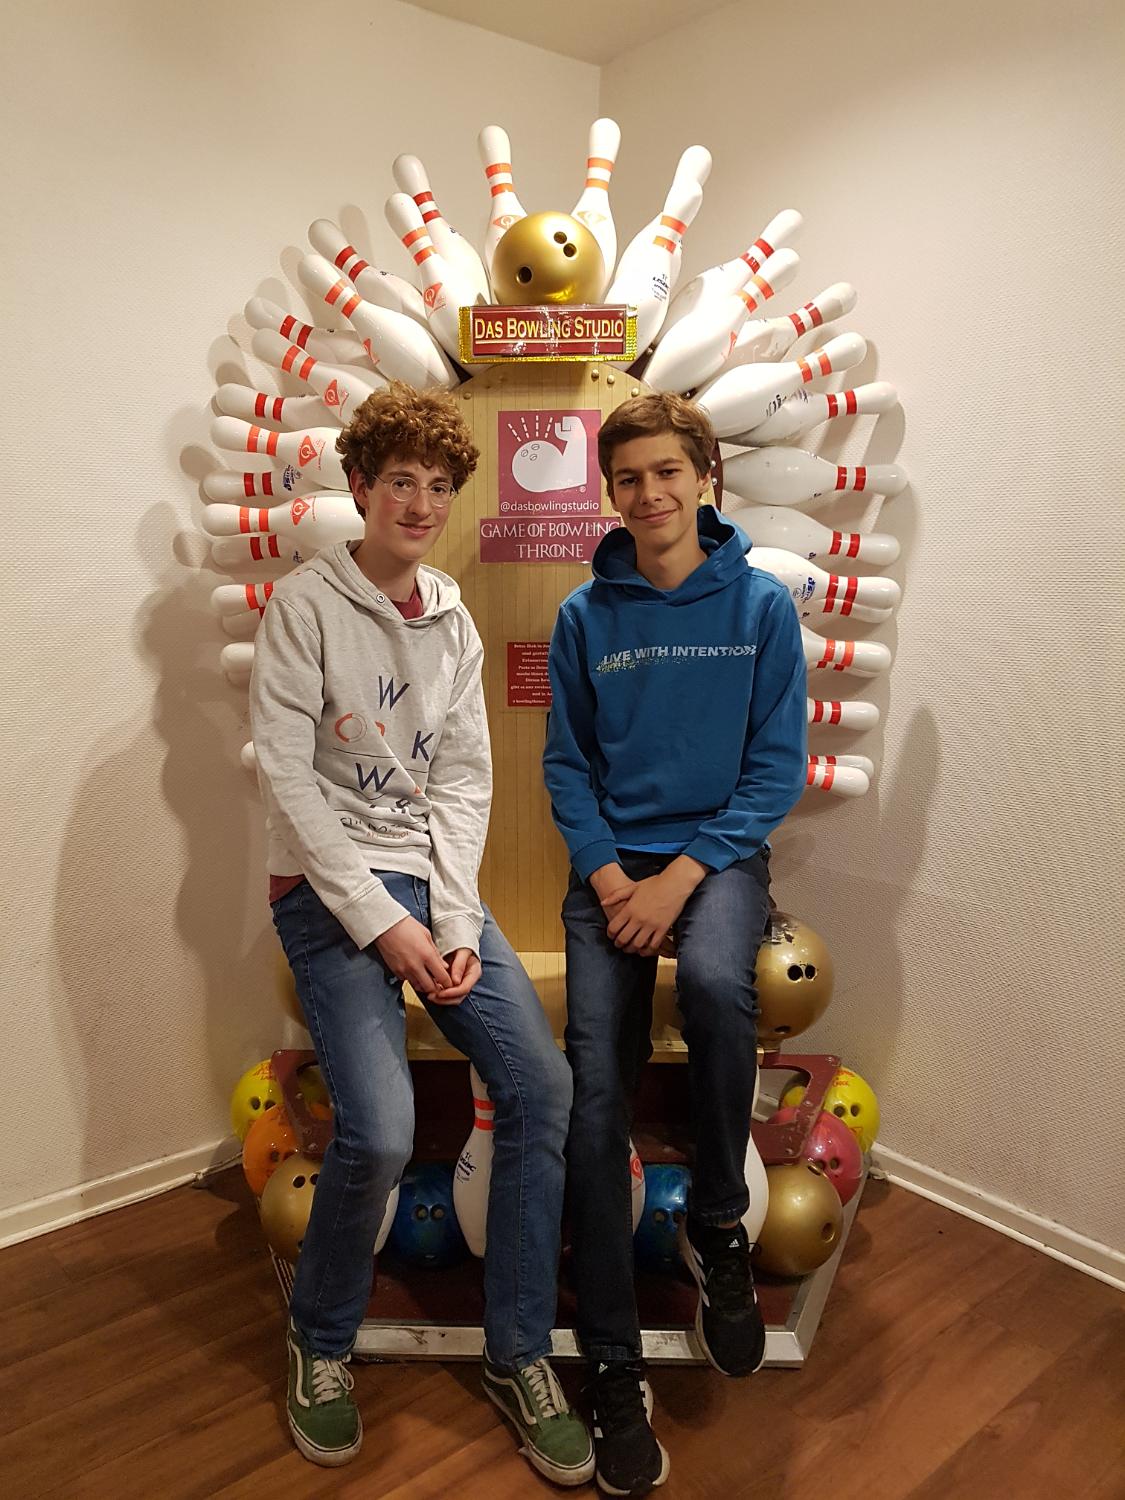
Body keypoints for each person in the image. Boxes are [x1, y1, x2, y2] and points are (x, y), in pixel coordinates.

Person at [250, 383, 593, 1485]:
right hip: (327, 889)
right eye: (400, 480)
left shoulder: (452, 616)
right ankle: (319, 1338)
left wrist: (450, 920)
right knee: (385, 1129)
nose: (420, 504)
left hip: (430, 887)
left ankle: (518, 1353)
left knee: (542, 1089)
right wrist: (384, 925)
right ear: (359, 487)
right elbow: (289, 783)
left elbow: (463, 782)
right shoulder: (304, 605)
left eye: (439, 487)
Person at [542, 392, 808, 1496]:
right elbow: (567, 767)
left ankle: (718, 1225)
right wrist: (615, 881)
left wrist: (680, 879)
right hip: (612, 870)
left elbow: (773, 770)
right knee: (594, 1091)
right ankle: (611, 1362)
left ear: (705, 478)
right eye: (628, 478)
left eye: (666, 472)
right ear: (610, 492)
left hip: (718, 860)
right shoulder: (582, 616)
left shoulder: (760, 606)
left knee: (709, 981)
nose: (648, 494)